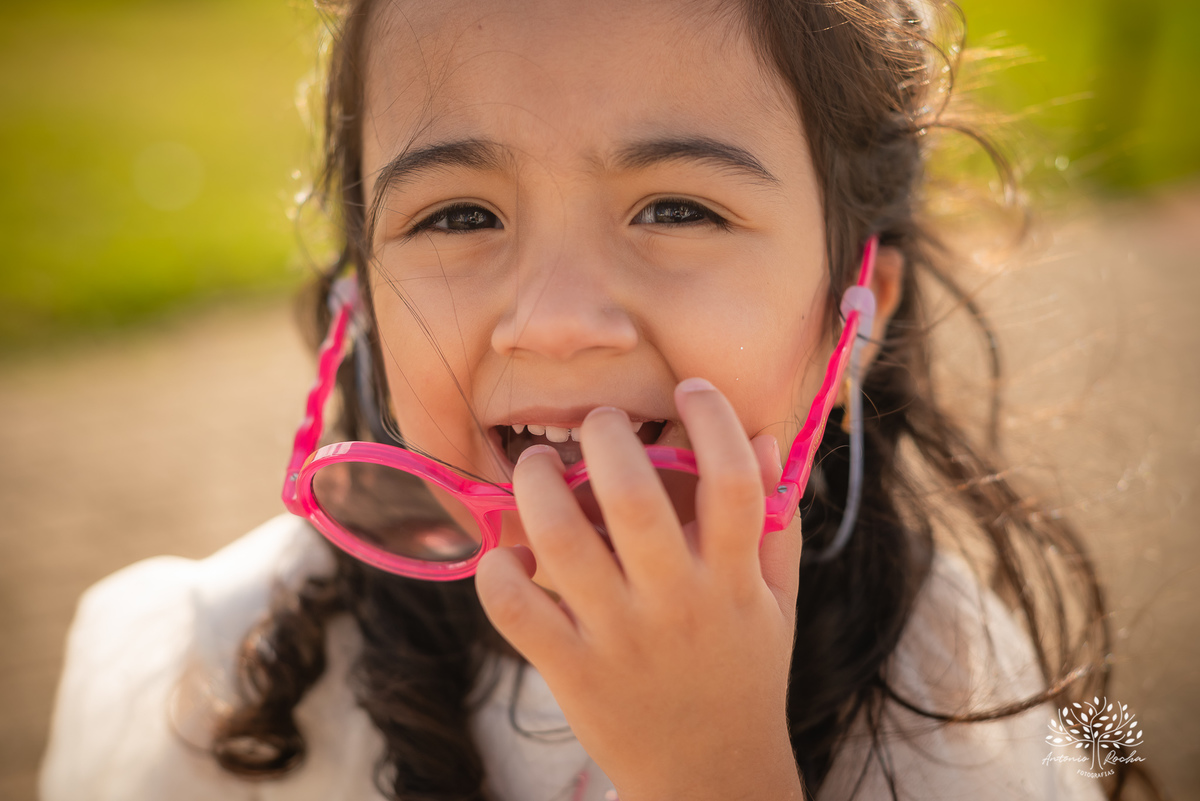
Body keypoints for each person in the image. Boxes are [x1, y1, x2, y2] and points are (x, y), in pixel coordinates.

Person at [40, 1, 1151, 799]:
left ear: (854, 318)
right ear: (362, 306)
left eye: (677, 209)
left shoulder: (957, 681)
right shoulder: (218, 676)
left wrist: (717, 772)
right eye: (459, 215)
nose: (557, 319)